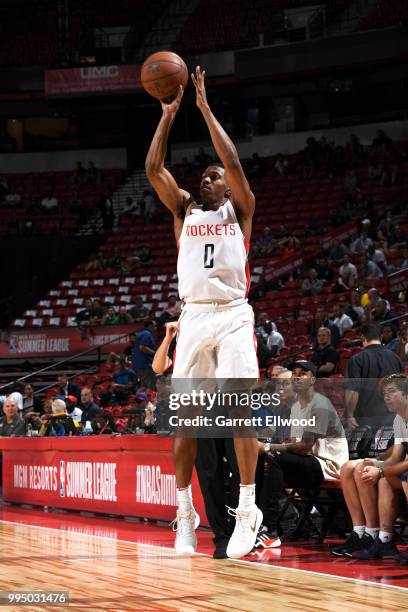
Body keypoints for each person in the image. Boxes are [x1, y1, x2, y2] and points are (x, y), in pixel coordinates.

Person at [146, 66, 261, 559]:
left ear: (228, 188)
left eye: (213, 175)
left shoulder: (242, 209)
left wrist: (204, 108)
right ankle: (185, 511)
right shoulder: (183, 212)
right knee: (185, 420)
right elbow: (153, 170)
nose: (207, 175)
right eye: (204, 173)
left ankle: (249, 506)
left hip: (233, 312)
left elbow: (231, 158)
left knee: (241, 405)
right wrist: (168, 117)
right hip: (193, 316)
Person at [152, 321, 240, 559]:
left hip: (229, 402)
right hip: (197, 408)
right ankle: (221, 537)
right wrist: (169, 338)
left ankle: (241, 529)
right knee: (209, 474)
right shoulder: (186, 328)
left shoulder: (228, 321)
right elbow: (158, 367)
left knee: (238, 470)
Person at [258, 361, 348, 543]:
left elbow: (305, 446)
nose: (297, 376)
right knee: (260, 461)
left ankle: (270, 529)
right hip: (309, 461)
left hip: (328, 466)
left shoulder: (320, 405)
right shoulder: (297, 407)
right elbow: (294, 445)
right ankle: (258, 523)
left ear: (313, 379)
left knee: (270, 456)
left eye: (303, 373)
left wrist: (267, 446)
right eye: (295, 373)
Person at [331, 374, 408, 560]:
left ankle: (378, 536)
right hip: (403, 468)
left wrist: (381, 470)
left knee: (387, 477)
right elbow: (397, 456)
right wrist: (373, 463)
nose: (386, 397)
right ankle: (373, 536)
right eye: (384, 393)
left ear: (406, 394)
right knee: (353, 467)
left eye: (391, 392)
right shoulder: (399, 419)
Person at [343, 322, 404, 432]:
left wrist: (350, 415)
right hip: (392, 420)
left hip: (366, 421)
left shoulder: (357, 359)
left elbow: (352, 390)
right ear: (381, 337)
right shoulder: (396, 359)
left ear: (362, 337)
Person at [131, 321, 156, 389]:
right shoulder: (147, 334)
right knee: (150, 386)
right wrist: (155, 354)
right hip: (144, 365)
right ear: (150, 326)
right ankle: (145, 399)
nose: (155, 328)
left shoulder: (140, 334)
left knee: (144, 387)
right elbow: (142, 347)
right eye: (154, 326)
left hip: (137, 365)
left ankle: (137, 399)